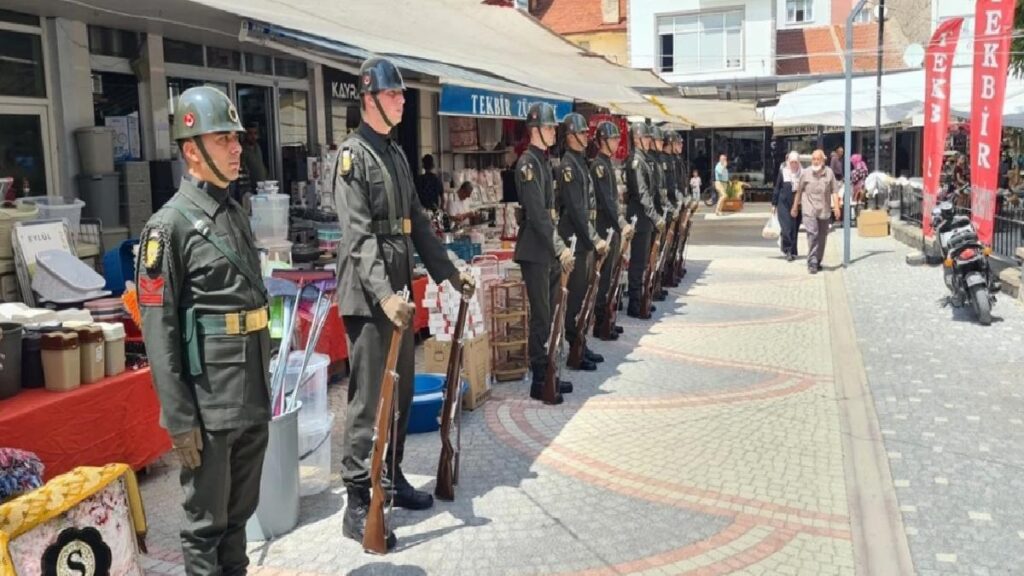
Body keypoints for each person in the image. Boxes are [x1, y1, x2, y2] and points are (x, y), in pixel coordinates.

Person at [333, 57, 476, 550]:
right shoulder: (352, 157)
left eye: (401, 96)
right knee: (369, 399)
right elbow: (359, 237)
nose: (402, 101)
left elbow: (417, 221)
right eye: (394, 96)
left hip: (397, 294)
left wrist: (451, 272)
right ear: (369, 98)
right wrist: (384, 294)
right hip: (371, 296)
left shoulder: (393, 154)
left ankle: (389, 477)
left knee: (402, 393)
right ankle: (357, 500)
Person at [138, 86, 270, 576]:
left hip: (251, 392)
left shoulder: (233, 212)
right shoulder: (167, 227)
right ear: (191, 150)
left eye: (236, 139)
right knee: (204, 528)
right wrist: (179, 420)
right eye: (223, 140)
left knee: (239, 520)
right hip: (210, 405)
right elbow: (159, 331)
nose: (238, 148)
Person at [515, 102, 575, 404]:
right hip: (536, 249)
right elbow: (538, 215)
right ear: (535, 129)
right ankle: (540, 379)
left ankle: (550, 371)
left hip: (547, 248)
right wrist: (560, 247)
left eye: (554, 127)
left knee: (551, 314)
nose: (554, 131)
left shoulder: (544, 161)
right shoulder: (527, 164)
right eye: (550, 127)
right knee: (541, 316)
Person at [556, 113, 608, 371]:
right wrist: (595, 238)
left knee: (584, 296)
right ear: (570, 137)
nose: (588, 137)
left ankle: (580, 343)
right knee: (574, 299)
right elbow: (577, 210)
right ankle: (573, 346)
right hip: (575, 240)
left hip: (584, 239)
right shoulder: (567, 166)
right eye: (583, 133)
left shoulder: (579, 162)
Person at [590, 121, 633, 341]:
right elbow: (607, 200)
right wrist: (620, 222)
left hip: (612, 227)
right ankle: (600, 323)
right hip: (604, 227)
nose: (617, 142)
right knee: (604, 278)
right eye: (614, 139)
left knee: (611, 276)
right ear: (603, 141)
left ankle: (608, 319)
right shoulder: (598, 165)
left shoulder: (607, 163)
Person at [625, 122, 664, 319]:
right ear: (637, 138)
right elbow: (642, 193)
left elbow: (653, 191)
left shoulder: (644, 160)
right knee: (638, 263)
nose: (649, 141)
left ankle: (640, 298)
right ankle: (634, 302)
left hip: (645, 218)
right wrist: (655, 216)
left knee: (643, 262)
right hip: (639, 218)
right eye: (646, 138)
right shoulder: (635, 162)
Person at [793, 149, 839, 274]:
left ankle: (818, 260)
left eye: (818, 159)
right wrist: (795, 207)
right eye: (813, 159)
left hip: (824, 209)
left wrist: (837, 207)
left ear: (823, 160)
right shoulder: (806, 173)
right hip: (809, 209)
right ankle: (812, 261)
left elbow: (835, 191)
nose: (815, 161)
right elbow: (799, 191)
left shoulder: (829, 173)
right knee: (813, 234)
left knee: (822, 236)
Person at [773, 151, 802, 262]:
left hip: (797, 203)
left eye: (796, 162)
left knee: (794, 227)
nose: (794, 164)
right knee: (786, 227)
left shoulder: (802, 173)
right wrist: (774, 204)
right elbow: (777, 188)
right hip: (783, 203)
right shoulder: (783, 172)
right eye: (792, 162)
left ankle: (793, 250)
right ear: (788, 162)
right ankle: (788, 250)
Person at [241, 122, 269, 189]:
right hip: (251, 188)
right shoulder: (242, 150)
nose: (253, 136)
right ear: (245, 134)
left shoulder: (258, 147)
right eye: (250, 133)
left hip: (263, 186)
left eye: (255, 133)